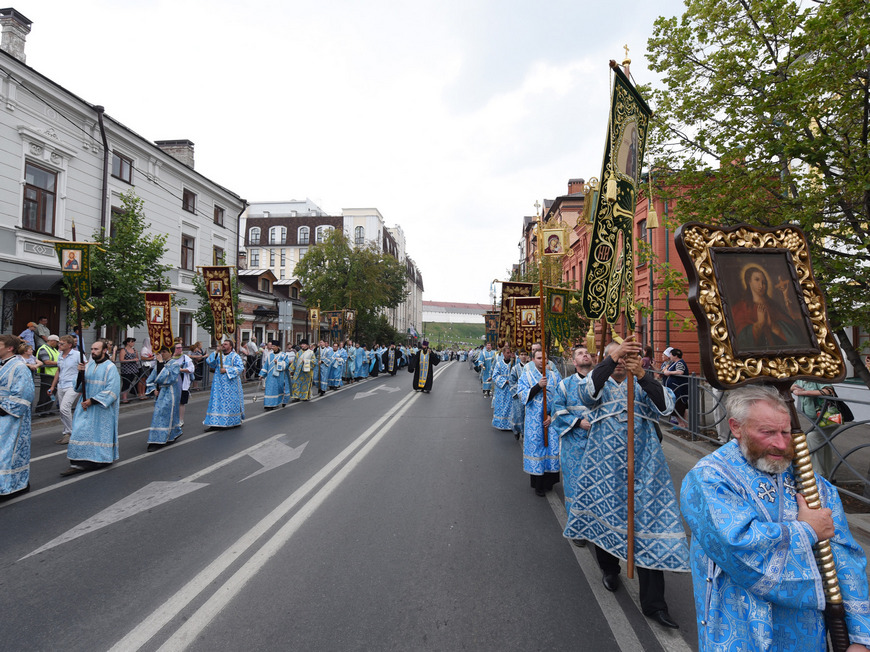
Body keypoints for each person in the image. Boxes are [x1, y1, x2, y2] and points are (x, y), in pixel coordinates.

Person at [680, 384, 870, 651]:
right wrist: (806, 530)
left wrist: (861, 636)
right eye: (767, 432)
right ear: (736, 427)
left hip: (804, 633)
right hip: (738, 627)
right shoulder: (708, 479)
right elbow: (737, 547)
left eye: (785, 432)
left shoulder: (811, 483)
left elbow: (845, 557)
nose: (781, 444)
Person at [566, 338, 688, 629]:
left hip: (645, 468)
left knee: (649, 526)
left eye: (624, 358)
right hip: (604, 467)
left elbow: (666, 407)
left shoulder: (642, 382)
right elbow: (587, 395)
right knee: (607, 517)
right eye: (615, 357)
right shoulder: (597, 382)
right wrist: (611, 360)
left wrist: (643, 375)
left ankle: (655, 604)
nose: (620, 362)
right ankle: (609, 569)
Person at [552, 345, 593, 541]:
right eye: (580, 353)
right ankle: (577, 529)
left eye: (587, 352)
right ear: (574, 362)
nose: (585, 355)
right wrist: (577, 422)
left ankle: (596, 526)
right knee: (575, 485)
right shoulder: (565, 385)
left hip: (597, 443)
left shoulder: (602, 383)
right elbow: (556, 410)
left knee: (595, 485)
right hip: (573, 443)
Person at [62, 340, 121, 476]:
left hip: (101, 408)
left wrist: (93, 401)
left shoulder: (110, 367)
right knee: (79, 431)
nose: (93, 351)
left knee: (97, 434)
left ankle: (99, 460)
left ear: (104, 350)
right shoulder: (88, 365)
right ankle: (78, 461)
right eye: (92, 349)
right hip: (84, 407)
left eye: (96, 349)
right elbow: (78, 387)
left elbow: (113, 390)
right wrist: (80, 373)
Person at [517, 349, 561, 496]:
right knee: (537, 449)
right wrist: (538, 386)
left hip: (551, 418)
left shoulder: (554, 376)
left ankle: (549, 482)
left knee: (551, 448)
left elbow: (560, 397)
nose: (542, 360)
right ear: (533, 360)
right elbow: (522, 395)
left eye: (544, 358)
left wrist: (551, 415)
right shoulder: (527, 375)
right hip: (534, 421)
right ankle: (538, 484)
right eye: (539, 358)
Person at [731, 265, 803, 350]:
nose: (761, 285)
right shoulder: (740, 307)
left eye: (764, 282)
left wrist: (773, 326)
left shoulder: (773, 306)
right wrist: (759, 324)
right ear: (749, 281)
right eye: (757, 280)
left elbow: (795, 334)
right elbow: (741, 340)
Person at [0, 335, 35, 499]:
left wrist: (3, 408)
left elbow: (25, 394)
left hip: (11, 417)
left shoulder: (20, 367)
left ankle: (11, 486)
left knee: (8, 453)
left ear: (10, 348)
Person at [791, 379, 838, 479]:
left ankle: (818, 475)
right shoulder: (800, 379)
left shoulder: (816, 378)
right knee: (824, 442)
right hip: (817, 419)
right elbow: (789, 386)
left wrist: (804, 393)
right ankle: (829, 475)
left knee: (812, 438)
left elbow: (829, 390)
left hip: (829, 418)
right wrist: (792, 388)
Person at [47, 335, 84, 445]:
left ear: (69, 345)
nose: (59, 345)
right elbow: (59, 370)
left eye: (62, 344)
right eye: (59, 343)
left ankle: (71, 432)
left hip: (73, 385)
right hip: (61, 385)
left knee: (64, 408)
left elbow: (85, 368)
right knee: (62, 411)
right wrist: (52, 386)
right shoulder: (60, 355)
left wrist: (83, 383)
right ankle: (67, 432)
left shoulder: (78, 355)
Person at [145, 346, 182, 451]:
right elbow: (151, 379)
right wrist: (153, 390)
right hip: (160, 394)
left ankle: (159, 440)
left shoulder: (174, 364)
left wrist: (161, 363)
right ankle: (167, 435)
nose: (162, 354)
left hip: (170, 393)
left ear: (170, 353)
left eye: (164, 352)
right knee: (160, 416)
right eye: (161, 352)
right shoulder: (159, 365)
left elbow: (169, 379)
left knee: (164, 415)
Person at [204, 339, 245, 429]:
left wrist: (226, 370)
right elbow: (210, 362)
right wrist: (216, 351)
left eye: (225, 344)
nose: (223, 345)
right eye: (223, 344)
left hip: (230, 384)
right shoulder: (219, 355)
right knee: (216, 402)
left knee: (228, 403)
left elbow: (240, 368)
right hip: (218, 384)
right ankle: (214, 422)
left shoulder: (235, 356)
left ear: (230, 346)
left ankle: (229, 421)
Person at [661, 348, 689, 427]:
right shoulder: (674, 363)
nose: (669, 356)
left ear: (675, 356)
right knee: (678, 407)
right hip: (674, 389)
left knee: (678, 407)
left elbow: (680, 372)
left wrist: (669, 373)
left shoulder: (680, 363)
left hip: (678, 389)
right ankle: (683, 424)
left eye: (671, 355)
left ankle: (682, 424)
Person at [258, 340, 287, 410]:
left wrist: (278, 363)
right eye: (272, 346)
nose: (272, 347)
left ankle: (275, 403)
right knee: (269, 389)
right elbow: (266, 366)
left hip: (279, 376)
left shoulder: (283, 355)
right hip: (270, 376)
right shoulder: (270, 355)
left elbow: (286, 365)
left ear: (278, 347)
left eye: (274, 346)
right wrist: (262, 374)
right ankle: (268, 404)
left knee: (276, 390)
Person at [491, 346, 514, 431]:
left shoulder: (514, 364)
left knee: (510, 408)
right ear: (503, 353)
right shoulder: (499, 364)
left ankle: (510, 425)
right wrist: (505, 381)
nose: (509, 354)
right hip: (502, 390)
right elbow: (495, 376)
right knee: (501, 407)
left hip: (511, 390)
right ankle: (501, 424)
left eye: (510, 353)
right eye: (507, 353)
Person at [35, 334, 60, 414]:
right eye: (57, 342)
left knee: (52, 392)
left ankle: (47, 410)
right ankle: (41, 410)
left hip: (53, 374)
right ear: (52, 341)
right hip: (47, 374)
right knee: (45, 392)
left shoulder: (54, 349)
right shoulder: (43, 349)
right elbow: (47, 362)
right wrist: (60, 363)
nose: (57, 344)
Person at [510, 350, 529, 440]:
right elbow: (512, 382)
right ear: (519, 356)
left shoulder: (531, 367)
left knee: (527, 415)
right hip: (518, 396)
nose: (524, 356)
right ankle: (517, 431)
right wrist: (518, 391)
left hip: (529, 395)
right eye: (522, 354)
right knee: (518, 415)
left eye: (525, 354)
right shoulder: (515, 368)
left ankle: (525, 433)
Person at [174, 342, 195, 425]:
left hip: (183, 383)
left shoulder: (185, 358)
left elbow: (192, 368)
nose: (180, 349)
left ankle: (181, 419)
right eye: (178, 348)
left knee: (181, 402)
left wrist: (182, 370)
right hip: (173, 383)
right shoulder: (171, 358)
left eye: (181, 347)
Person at [117, 337, 140, 403]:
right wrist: (131, 360)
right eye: (132, 342)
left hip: (133, 369)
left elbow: (137, 358)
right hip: (126, 369)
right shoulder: (123, 350)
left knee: (130, 382)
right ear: (128, 343)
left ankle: (125, 396)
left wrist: (136, 360)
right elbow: (121, 360)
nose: (133, 343)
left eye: (133, 342)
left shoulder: (134, 350)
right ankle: (124, 398)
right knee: (126, 383)